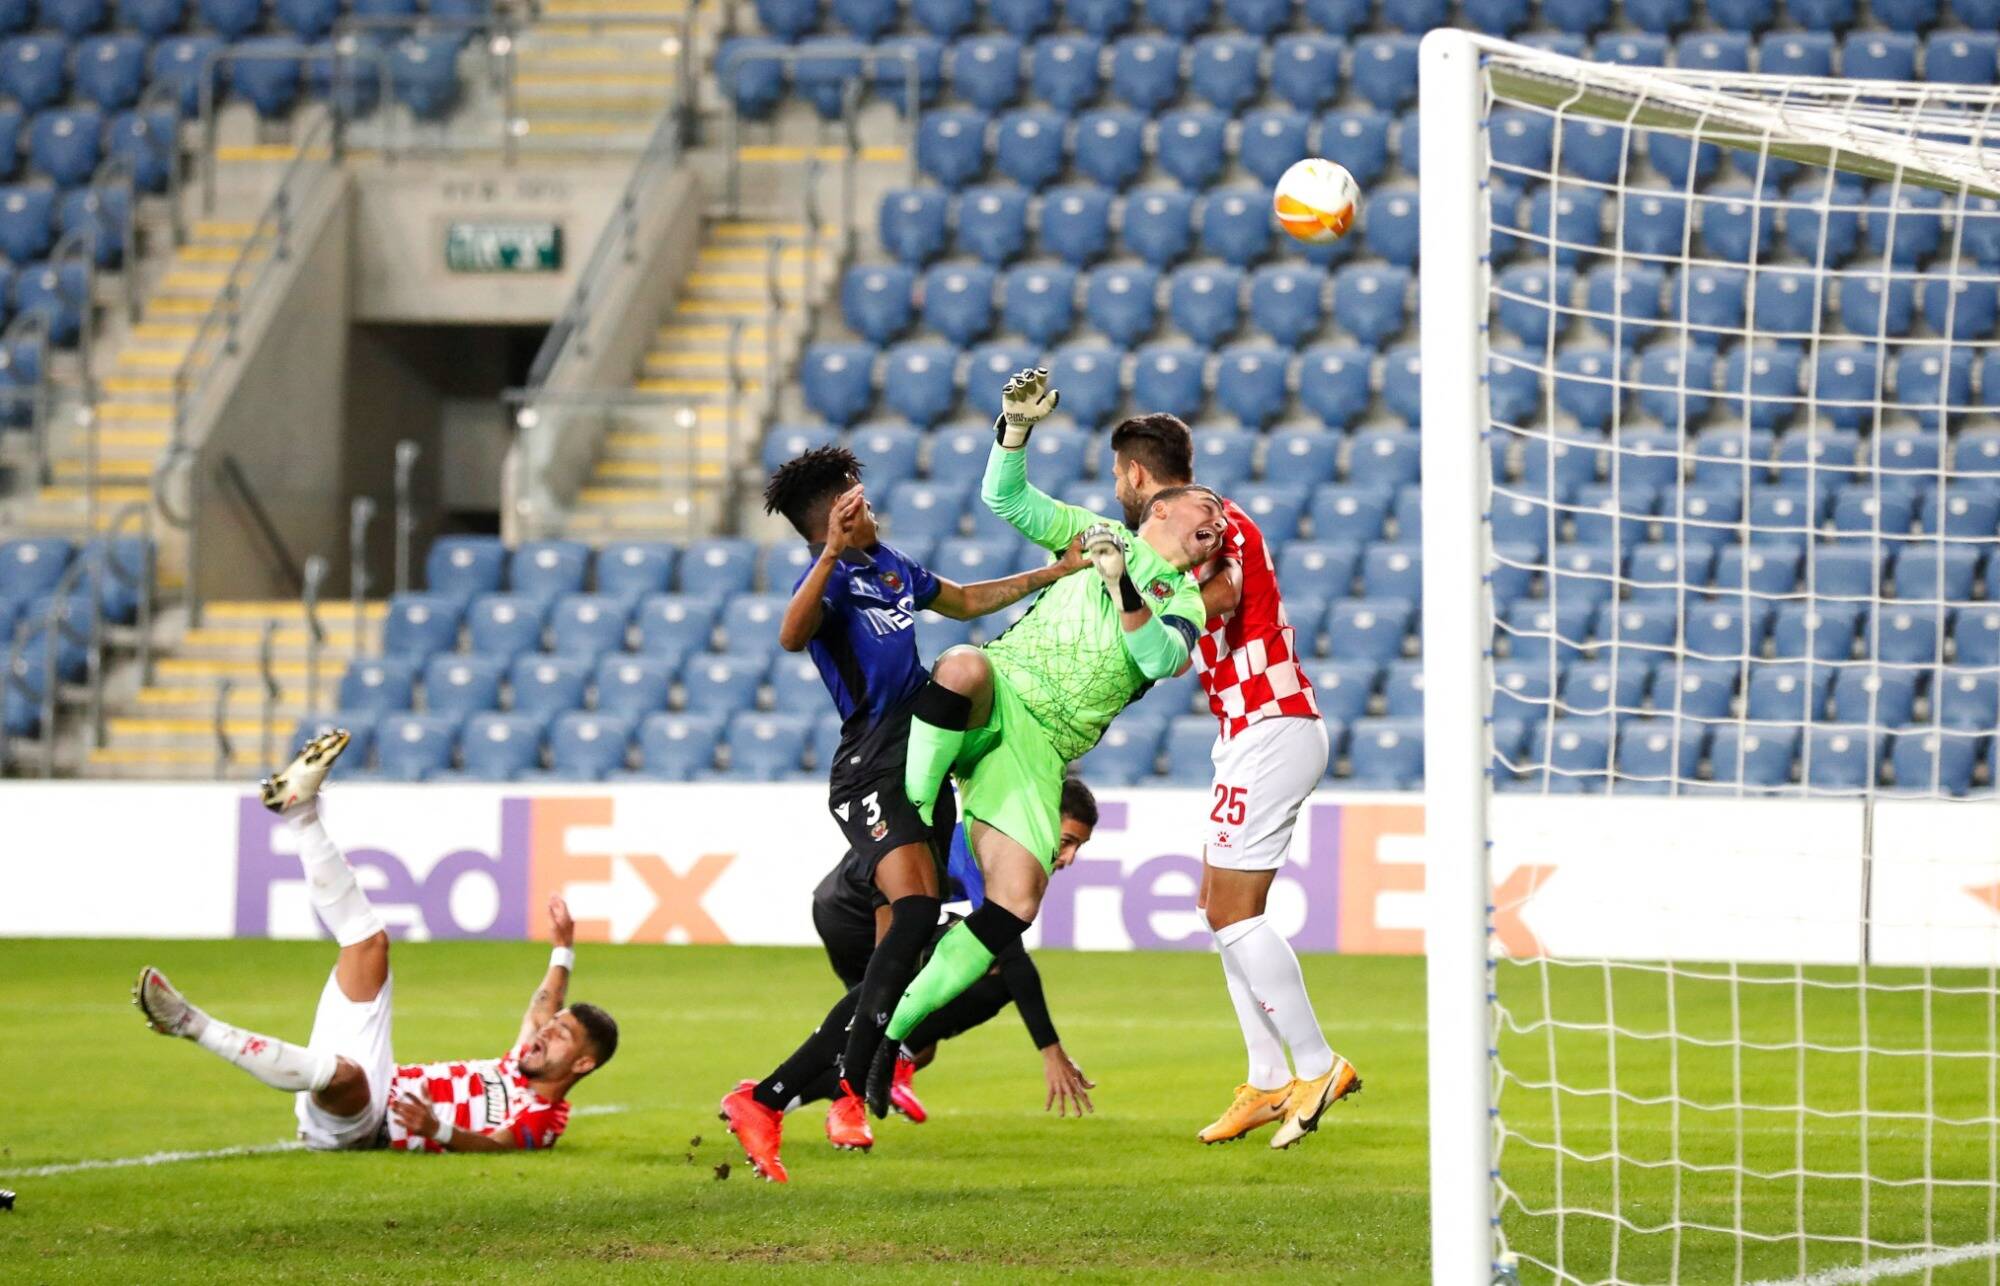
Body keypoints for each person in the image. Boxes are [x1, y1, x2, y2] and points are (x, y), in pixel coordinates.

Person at [861, 368, 1226, 1116]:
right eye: (1206, 509)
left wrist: (1123, 582)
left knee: (1017, 903)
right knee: (961, 662)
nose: (1217, 521)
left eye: (1218, 520)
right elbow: (1005, 498)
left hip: (1038, 752)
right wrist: (1015, 430)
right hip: (1000, 691)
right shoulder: (1095, 531)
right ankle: (916, 812)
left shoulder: (1182, 596)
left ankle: (888, 1039)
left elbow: (1158, 658)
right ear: (1159, 508)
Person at [731, 446, 1085, 1175]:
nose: (874, 508)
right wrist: (828, 554)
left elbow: (962, 600)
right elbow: (791, 635)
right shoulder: (824, 581)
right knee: (920, 912)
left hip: (925, 760)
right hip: (870, 768)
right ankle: (845, 1095)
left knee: (896, 969)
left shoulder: (890, 565)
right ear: (839, 514)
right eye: (859, 501)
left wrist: (1053, 573)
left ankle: (765, 1100)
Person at [132, 731, 618, 1153]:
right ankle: (300, 814)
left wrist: (439, 1130)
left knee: (344, 1075)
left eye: (560, 1035)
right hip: (384, 1080)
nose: (543, 1031)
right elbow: (544, 1004)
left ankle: (190, 1024)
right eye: (552, 1026)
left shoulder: (545, 1119)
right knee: (368, 944)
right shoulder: (519, 1061)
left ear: (582, 1063)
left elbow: (498, 1146)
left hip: (366, 1127)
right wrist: (563, 947)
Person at [1107, 411, 1361, 1150]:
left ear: (1137, 475)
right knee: (1218, 910)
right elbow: (1189, 642)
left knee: (1236, 913)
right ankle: (1266, 1077)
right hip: (1249, 729)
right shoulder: (1191, 531)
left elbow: (1220, 594)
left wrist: (1138, 587)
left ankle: (1317, 1064)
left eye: (1117, 476)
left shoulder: (1218, 521)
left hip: (1271, 722)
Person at [722, 778, 1101, 1183]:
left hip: (862, 903)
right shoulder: (994, 840)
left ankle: (781, 1097)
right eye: (1066, 841)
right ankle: (773, 1098)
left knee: (912, 1029)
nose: (1069, 858)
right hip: (853, 910)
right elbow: (1012, 959)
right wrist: (1051, 1052)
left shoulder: (1003, 828)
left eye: (1077, 846)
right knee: (895, 999)